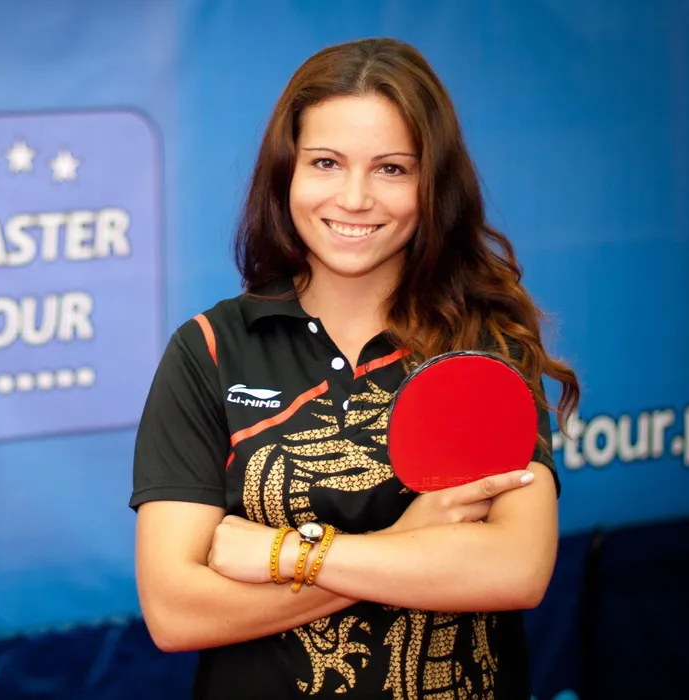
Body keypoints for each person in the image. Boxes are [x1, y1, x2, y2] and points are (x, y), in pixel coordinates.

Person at [129, 37, 580, 699]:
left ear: (433, 184)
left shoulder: (482, 340)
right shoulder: (209, 350)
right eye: (326, 162)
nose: (355, 197)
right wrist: (410, 542)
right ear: (285, 172)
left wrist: (285, 555)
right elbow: (176, 612)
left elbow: (515, 569)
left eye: (391, 169)